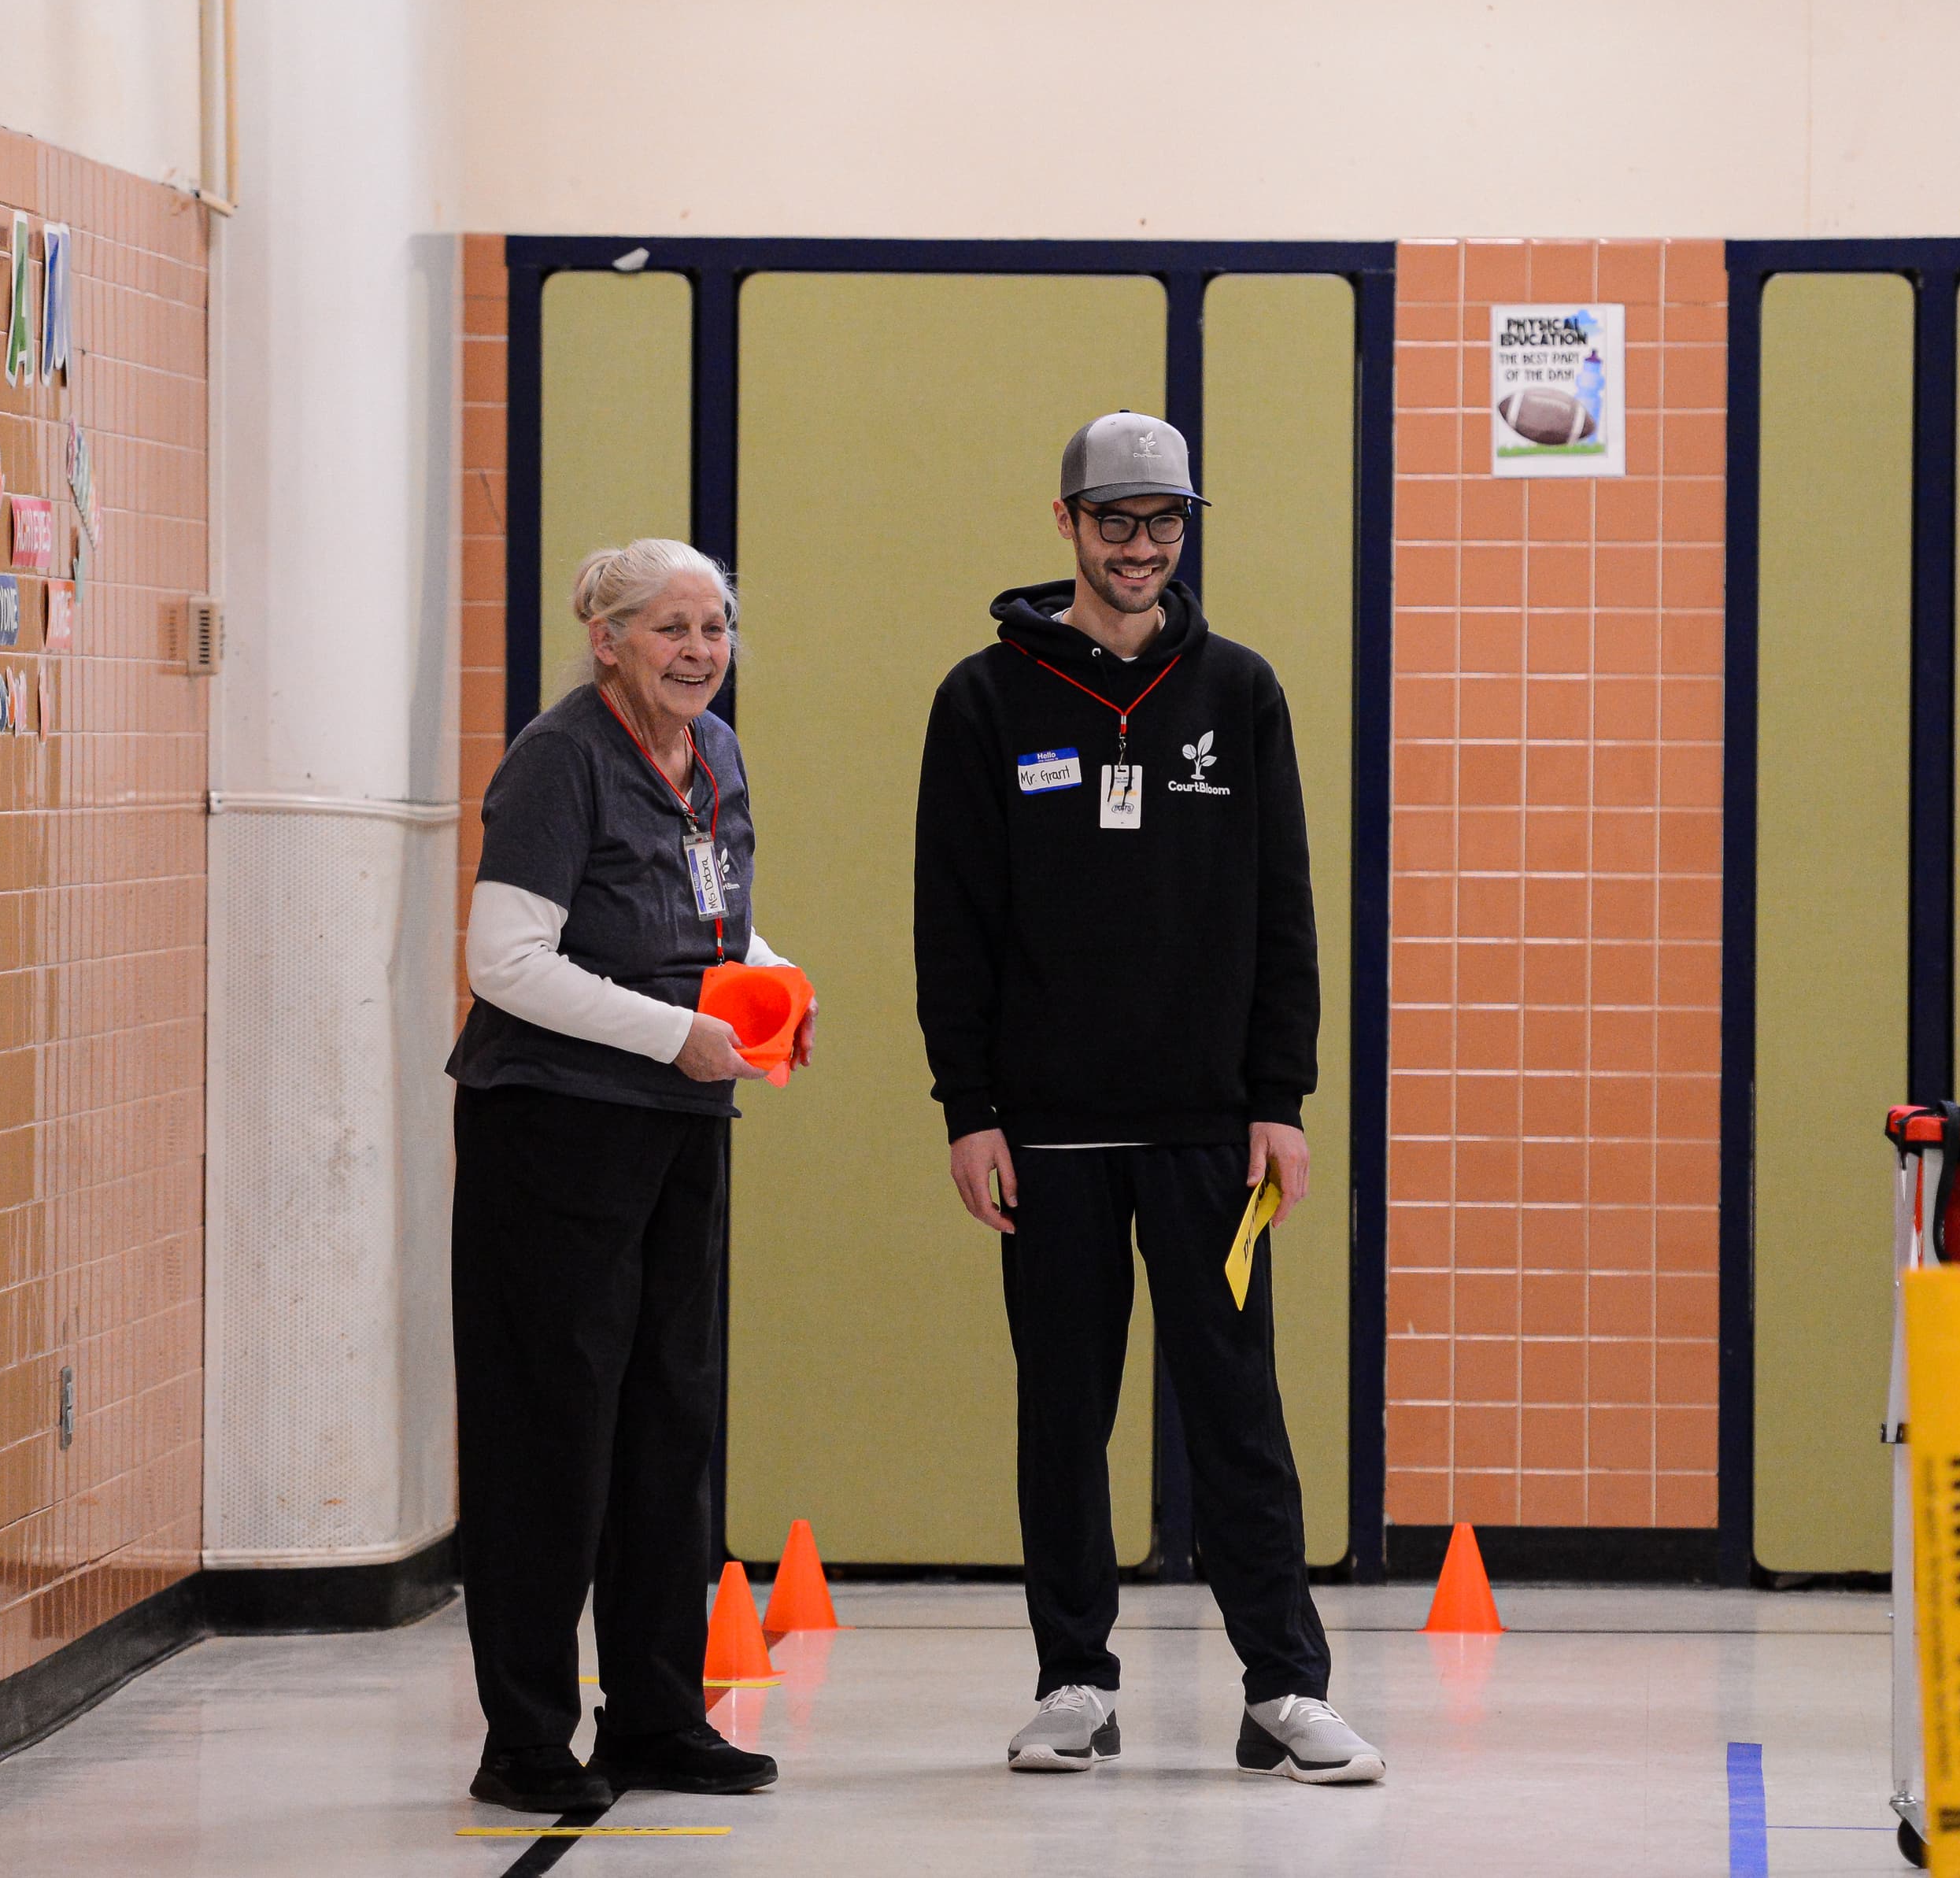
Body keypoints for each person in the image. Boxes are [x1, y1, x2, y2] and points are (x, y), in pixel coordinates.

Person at [912, 411, 1384, 1785]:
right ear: (1066, 523)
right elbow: (953, 919)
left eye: (1164, 522)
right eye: (1115, 521)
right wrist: (968, 1107)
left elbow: (1285, 906)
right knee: (1064, 1414)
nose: (1140, 548)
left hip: (1208, 1132)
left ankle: (1285, 1687)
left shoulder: (1239, 690)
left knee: (1239, 1411)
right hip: (1047, 1134)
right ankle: (1072, 1680)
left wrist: (1280, 1096)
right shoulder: (984, 699)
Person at [445, 540, 813, 1812]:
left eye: (715, 627)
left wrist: (772, 981)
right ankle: (526, 1741)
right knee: (553, 1436)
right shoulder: (561, 758)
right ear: (606, 642)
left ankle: (656, 1717)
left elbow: (712, 918)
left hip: (678, 1122)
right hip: (555, 1129)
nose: (700, 651)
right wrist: (674, 1032)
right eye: (671, 628)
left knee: (668, 1424)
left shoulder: (715, 754)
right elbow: (505, 960)